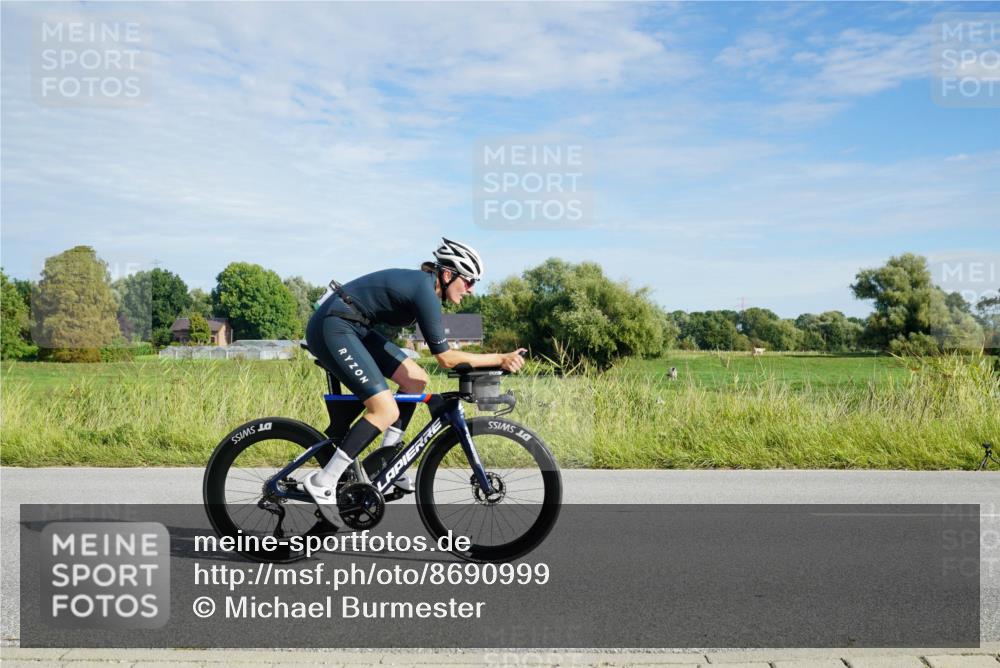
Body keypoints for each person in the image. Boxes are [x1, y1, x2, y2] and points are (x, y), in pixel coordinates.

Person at [303, 238, 526, 527]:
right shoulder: (425, 290)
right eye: (468, 281)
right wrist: (499, 358)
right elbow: (445, 358)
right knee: (384, 410)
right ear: (447, 275)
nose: (471, 290)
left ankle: (387, 463)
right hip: (333, 325)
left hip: (353, 326)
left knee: (416, 380)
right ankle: (324, 480)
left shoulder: (426, 289)